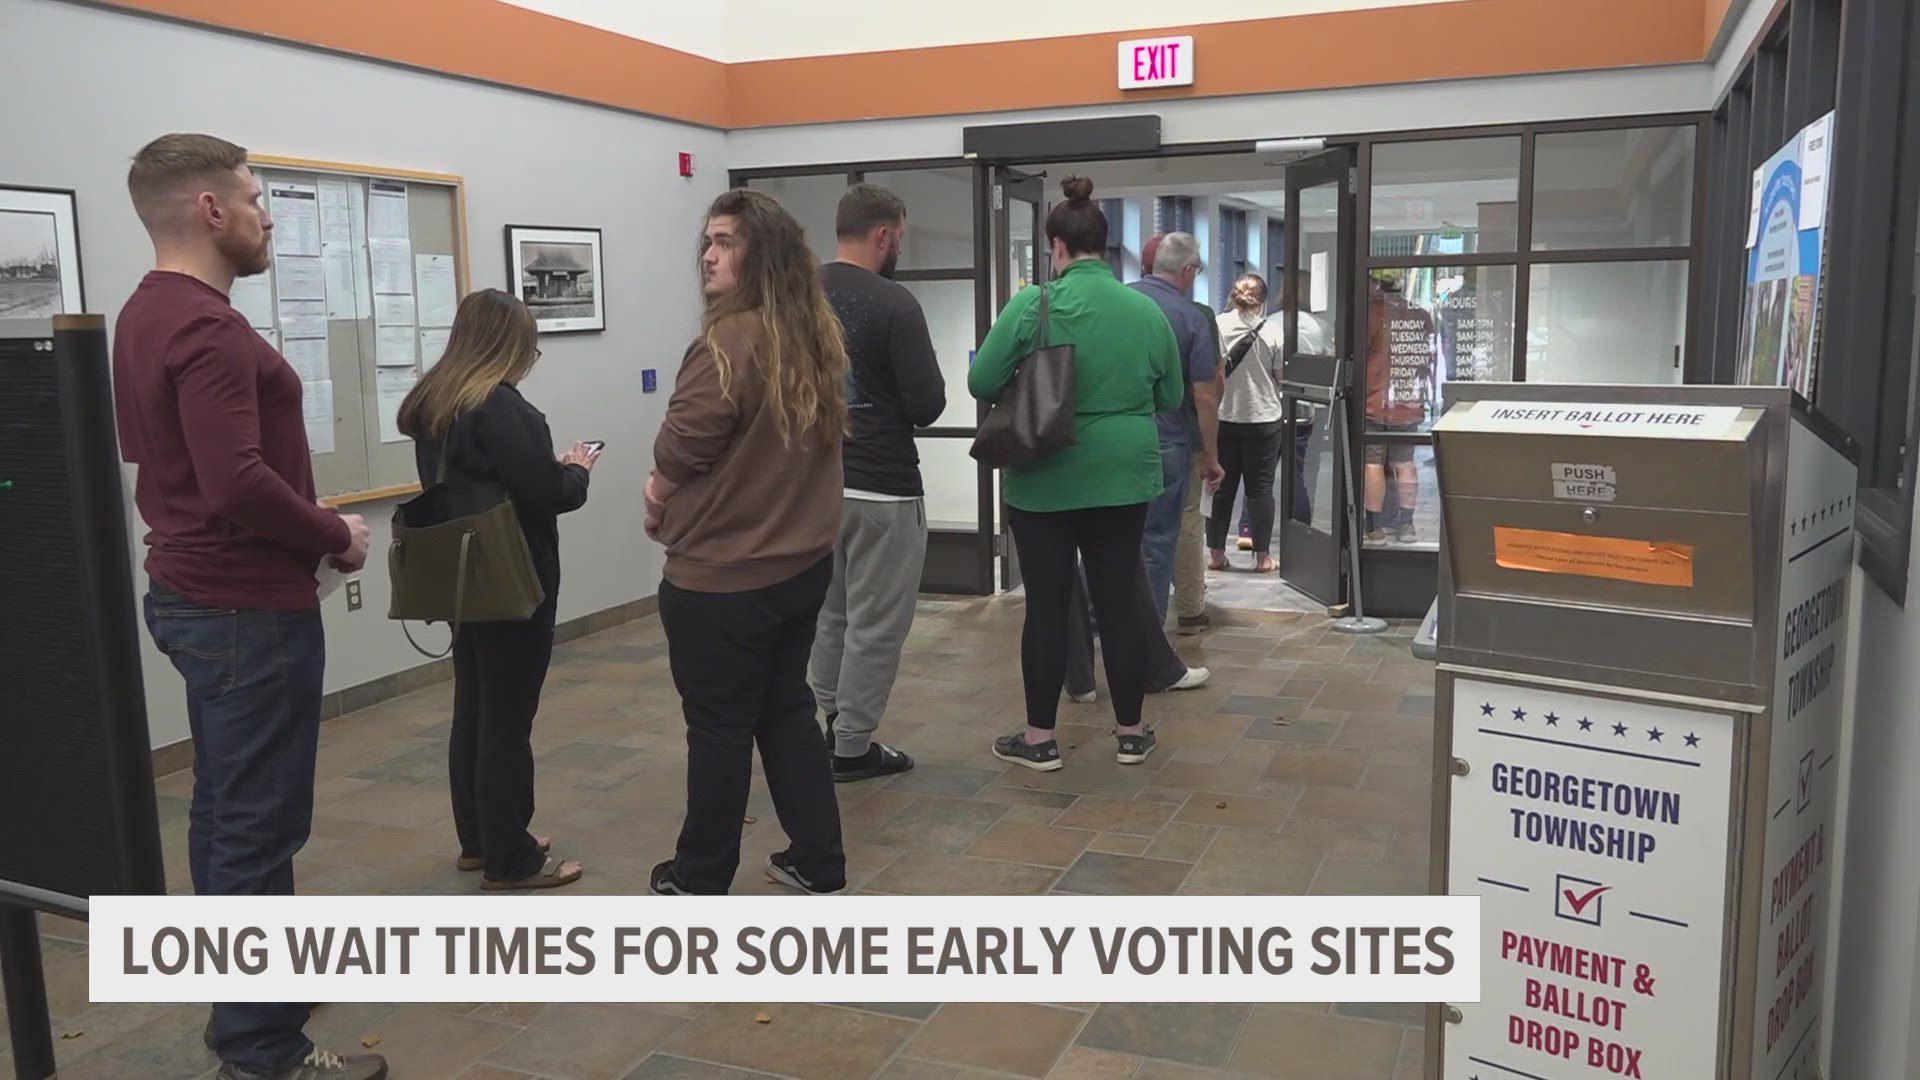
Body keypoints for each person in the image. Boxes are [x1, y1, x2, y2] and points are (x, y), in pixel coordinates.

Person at [112, 133, 383, 1080]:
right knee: (259, 825)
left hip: (195, 594)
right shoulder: (209, 328)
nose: (270, 216)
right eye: (258, 197)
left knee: (228, 810)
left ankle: (251, 991)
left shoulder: (145, 314)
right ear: (210, 211)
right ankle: (264, 1049)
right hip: (243, 608)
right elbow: (235, 482)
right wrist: (332, 533)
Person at [646, 188, 849, 895]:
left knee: (720, 727)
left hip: (722, 578)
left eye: (725, 242)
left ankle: (701, 876)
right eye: (707, 241)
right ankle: (819, 860)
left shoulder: (725, 344)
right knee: (785, 709)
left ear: (759, 255)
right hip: (799, 566)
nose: (708, 254)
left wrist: (655, 495)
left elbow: (680, 448)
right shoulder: (812, 335)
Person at [970, 177, 1181, 771]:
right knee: (1119, 599)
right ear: (1104, 246)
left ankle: (1039, 740)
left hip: (1045, 475)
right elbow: (1169, 393)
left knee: (1047, 604)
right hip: (1124, 472)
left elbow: (981, 382)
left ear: (1056, 245)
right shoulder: (1144, 309)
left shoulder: (1033, 305)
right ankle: (1132, 733)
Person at [397, 288, 595, 891]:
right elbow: (549, 494)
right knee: (508, 717)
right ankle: (512, 857)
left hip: (462, 580)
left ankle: (481, 839)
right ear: (510, 345)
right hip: (513, 580)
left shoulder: (436, 403)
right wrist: (577, 469)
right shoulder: (502, 409)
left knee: (476, 707)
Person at [809, 183, 944, 782]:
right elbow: (927, 404)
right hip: (884, 488)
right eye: (900, 238)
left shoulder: (796, 296)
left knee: (830, 614)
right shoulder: (895, 303)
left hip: (811, 487)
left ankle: (827, 721)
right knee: (876, 625)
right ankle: (853, 747)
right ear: (884, 235)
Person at [1130, 232, 1223, 628]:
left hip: (1111, 437)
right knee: (1169, 532)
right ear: (1187, 270)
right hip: (1172, 437)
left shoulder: (1119, 302)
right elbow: (1205, 394)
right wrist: (1211, 456)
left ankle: (1100, 622)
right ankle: (1172, 618)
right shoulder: (1193, 315)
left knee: (1110, 534)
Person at [1211, 274, 1285, 573]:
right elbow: (1280, 377)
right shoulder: (1275, 331)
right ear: (1264, 300)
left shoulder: (1217, 325)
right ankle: (1262, 557)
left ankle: (1216, 554)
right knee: (1260, 490)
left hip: (1224, 418)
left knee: (1221, 489)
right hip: (1263, 419)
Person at [1364, 272, 1436, 543]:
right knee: (1405, 461)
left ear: (1376, 285)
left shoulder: (1370, 314)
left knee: (1373, 462)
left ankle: (1373, 526)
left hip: (1374, 399)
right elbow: (1427, 353)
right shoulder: (1420, 315)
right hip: (1408, 400)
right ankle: (1407, 524)